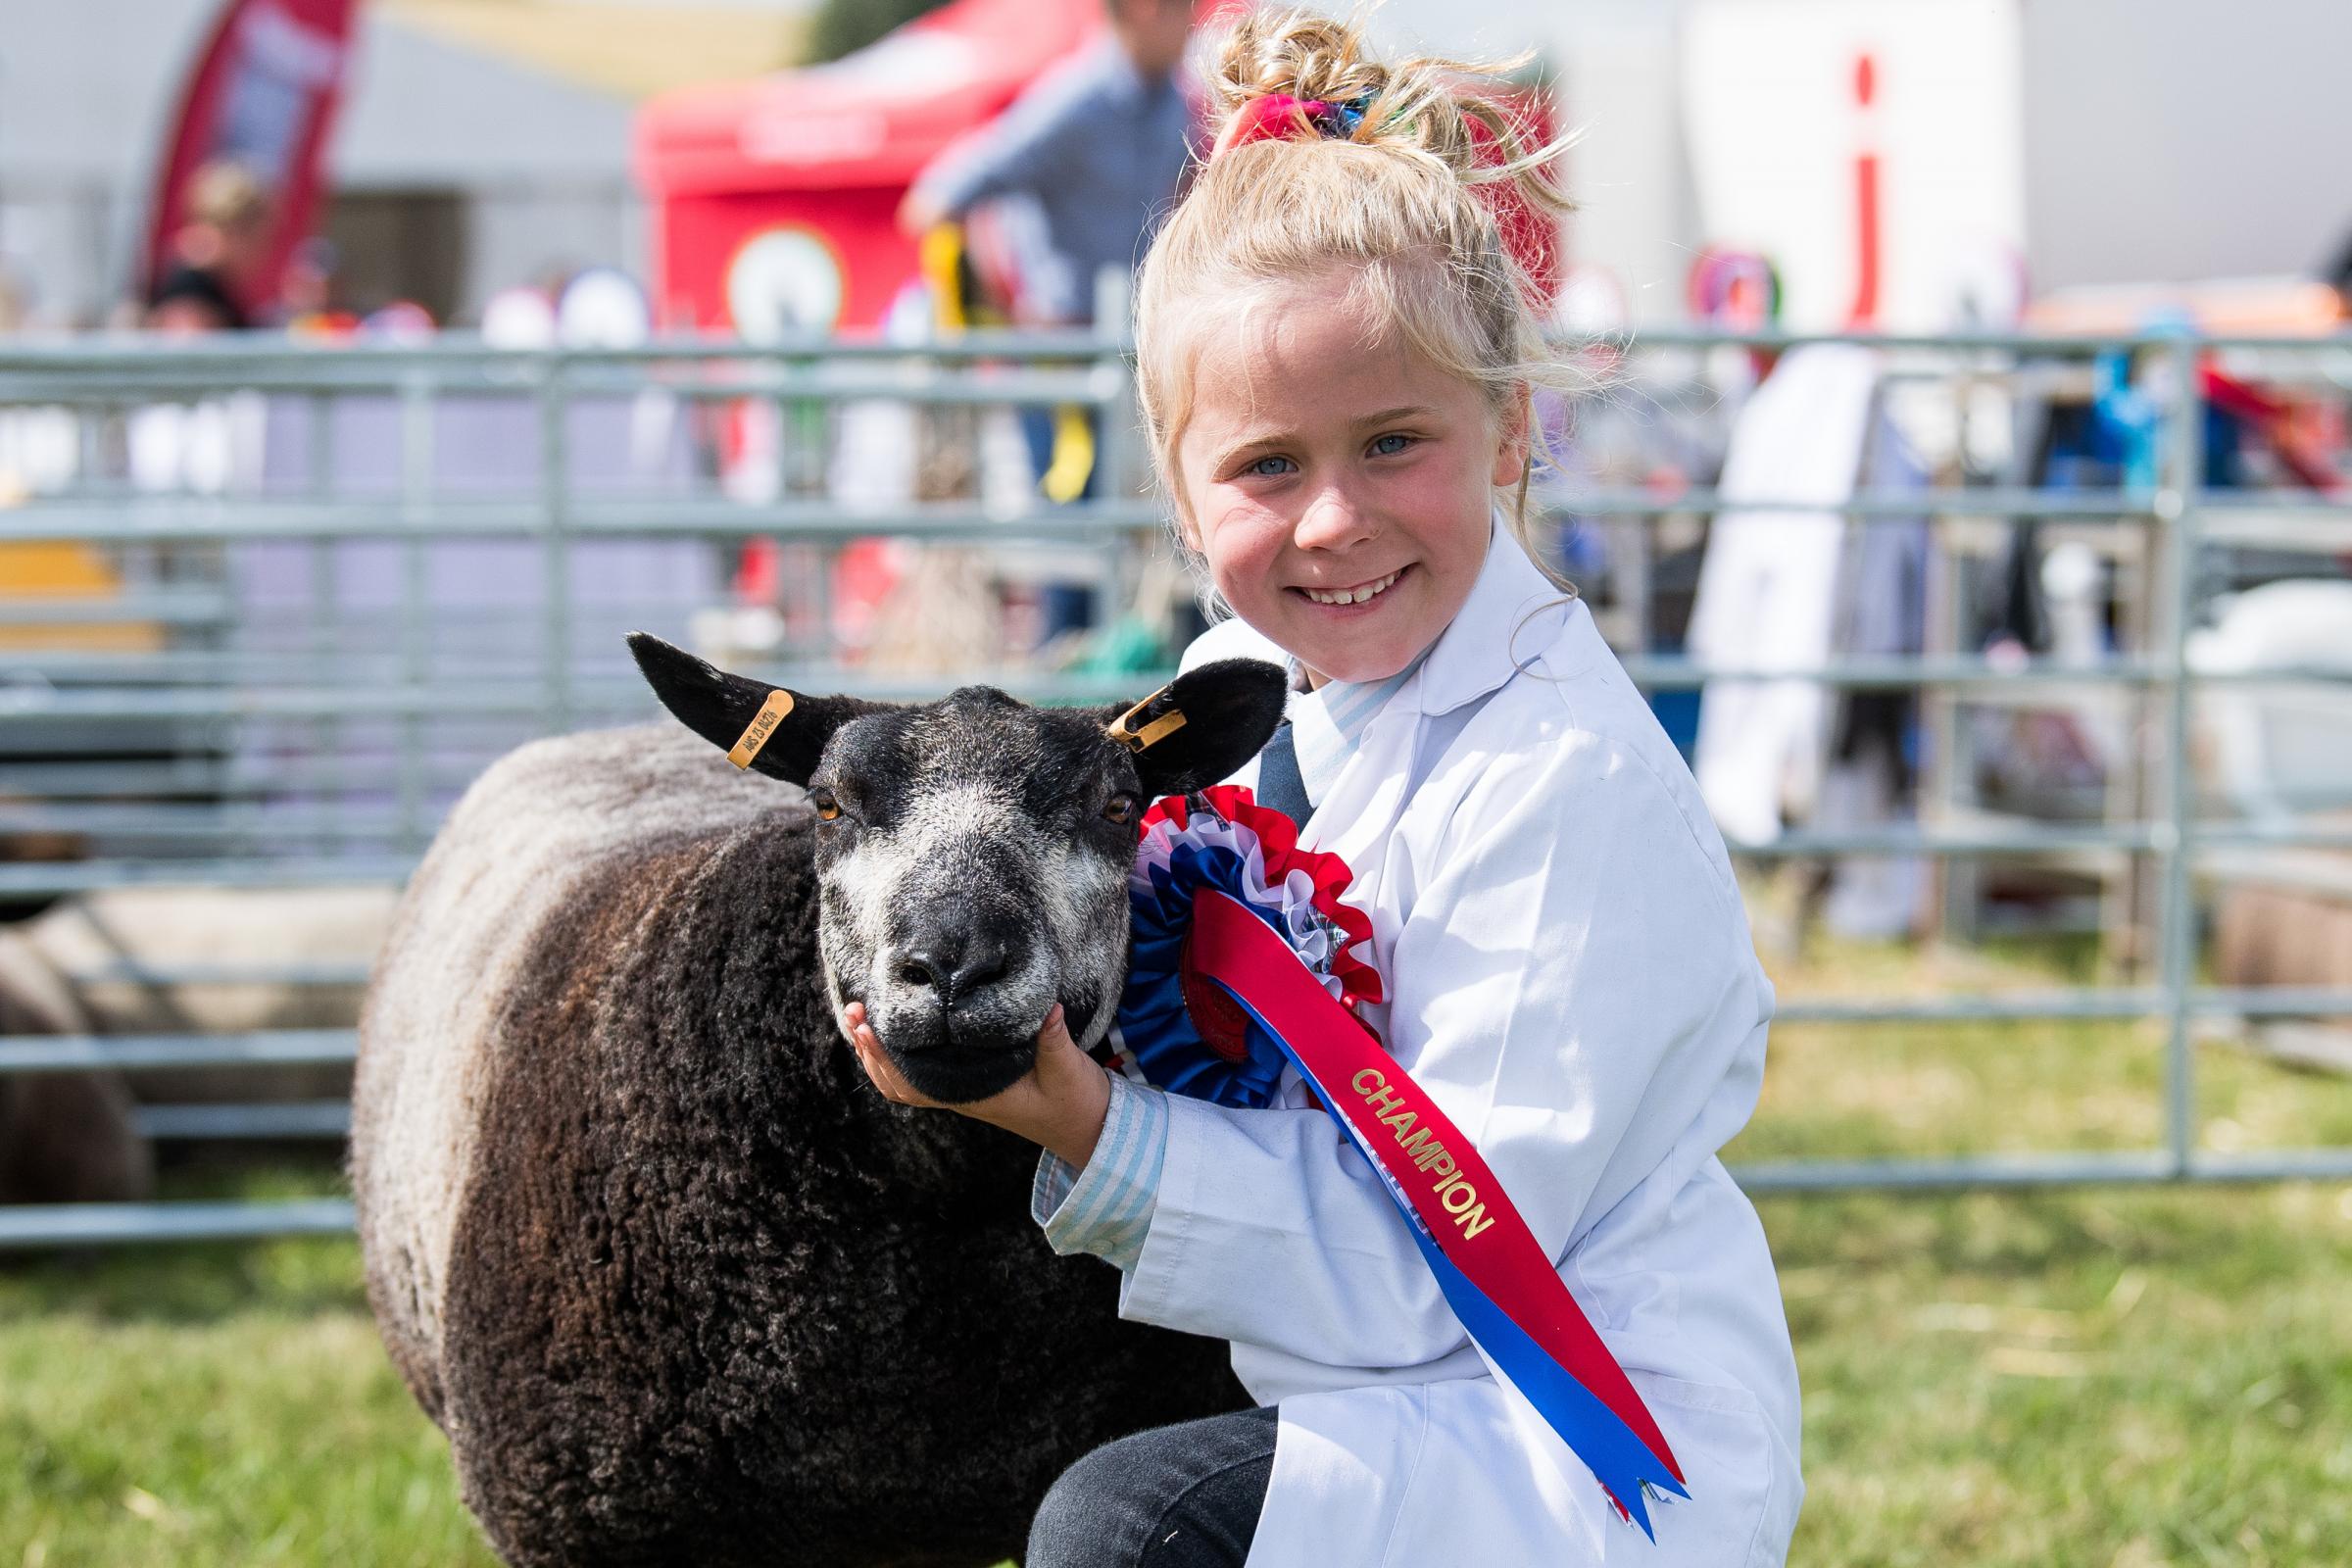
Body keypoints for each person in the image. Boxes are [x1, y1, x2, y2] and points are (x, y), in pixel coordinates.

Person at [845, 11, 1803, 1565]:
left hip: (1562, 1432)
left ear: (1505, 427)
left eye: (1395, 440)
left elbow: (1439, 1262)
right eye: (1268, 466)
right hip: (1349, 1365)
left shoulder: (1561, 781)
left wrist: (1093, 1129)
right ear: (1179, 485)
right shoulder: (1248, 692)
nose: (1336, 520)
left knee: (1126, 1531)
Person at [899, 0, 1199, 643]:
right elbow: (941, 196)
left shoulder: (1176, 99)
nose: (1192, 20)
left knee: (1165, 526)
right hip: (1064, 357)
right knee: (1075, 529)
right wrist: (993, 305)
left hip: (1141, 350)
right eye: (1179, 8)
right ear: (1140, 13)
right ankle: (1069, 691)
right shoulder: (1074, 100)